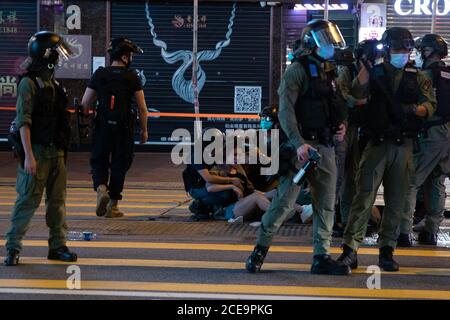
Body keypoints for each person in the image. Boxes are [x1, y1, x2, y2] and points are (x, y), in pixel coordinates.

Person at [245, 19, 350, 275]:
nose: (329, 43)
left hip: (324, 147)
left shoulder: (331, 71)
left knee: (325, 204)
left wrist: (342, 125)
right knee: (283, 204)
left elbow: (336, 104)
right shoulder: (297, 70)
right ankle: (260, 249)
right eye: (324, 38)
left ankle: (321, 256)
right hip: (300, 149)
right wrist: (298, 143)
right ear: (311, 42)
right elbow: (286, 111)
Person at [337, 27, 436, 272]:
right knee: (363, 197)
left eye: (406, 49)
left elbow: (430, 106)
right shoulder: (375, 71)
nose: (402, 53)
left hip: (403, 146)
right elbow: (356, 93)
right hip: (376, 144)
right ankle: (350, 250)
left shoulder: (419, 75)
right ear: (388, 49)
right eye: (398, 48)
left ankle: (387, 251)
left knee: (396, 202)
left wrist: (412, 110)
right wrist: (366, 66)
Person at [4, 31, 77, 266]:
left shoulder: (53, 83)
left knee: (57, 204)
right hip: (36, 153)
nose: (59, 59)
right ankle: (13, 248)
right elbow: (24, 121)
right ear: (46, 55)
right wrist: (28, 156)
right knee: (26, 202)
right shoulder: (29, 83)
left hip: (56, 153)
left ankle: (57, 245)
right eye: (56, 54)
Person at [80, 37, 148, 218]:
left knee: (99, 160)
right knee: (120, 164)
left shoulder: (100, 74)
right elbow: (142, 108)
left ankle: (101, 188)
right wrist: (144, 130)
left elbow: (85, 103)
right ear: (125, 57)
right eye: (131, 55)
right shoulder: (132, 76)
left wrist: (89, 114)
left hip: (102, 127)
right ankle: (113, 206)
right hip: (124, 129)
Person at [398, 34, 450, 246]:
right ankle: (431, 231)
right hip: (447, 135)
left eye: (420, 51)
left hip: (431, 134)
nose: (418, 55)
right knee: (437, 181)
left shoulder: (425, 75)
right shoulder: (448, 73)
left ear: (428, 52)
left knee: (411, 181)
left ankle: (403, 232)